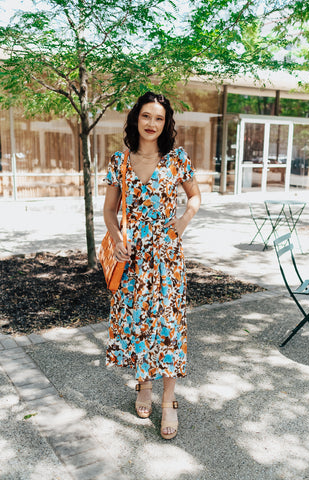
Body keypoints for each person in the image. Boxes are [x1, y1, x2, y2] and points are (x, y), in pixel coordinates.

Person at [103, 91, 201, 440]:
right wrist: (116, 239)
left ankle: (169, 399)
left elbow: (195, 196)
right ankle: (143, 386)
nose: (152, 123)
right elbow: (109, 211)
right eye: (146, 116)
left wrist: (183, 219)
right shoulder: (120, 161)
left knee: (168, 324)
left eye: (159, 118)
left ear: (165, 123)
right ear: (136, 118)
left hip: (167, 257)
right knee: (139, 322)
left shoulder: (177, 159)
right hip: (132, 258)